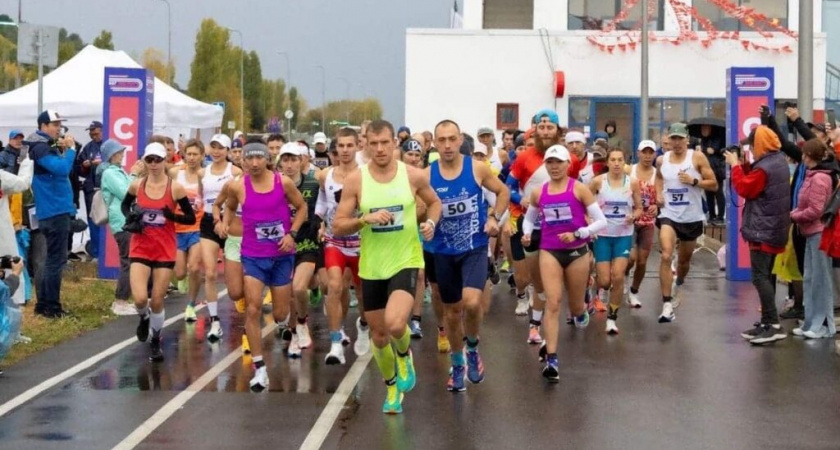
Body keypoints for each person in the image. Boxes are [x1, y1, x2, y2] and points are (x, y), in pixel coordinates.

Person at [332, 120, 441, 414]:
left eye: (385, 143)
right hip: (372, 265)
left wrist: (430, 222)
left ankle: (404, 355)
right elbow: (338, 225)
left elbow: (435, 203)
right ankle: (392, 386)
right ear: (365, 144)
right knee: (379, 336)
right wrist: (362, 220)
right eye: (374, 143)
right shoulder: (356, 180)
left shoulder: (413, 175)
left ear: (395, 143)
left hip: (406, 260)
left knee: (395, 324)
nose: (380, 149)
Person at [429, 120, 509, 392]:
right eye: (442, 140)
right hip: (443, 251)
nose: (448, 145)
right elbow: (419, 207)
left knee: (472, 302)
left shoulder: (475, 168)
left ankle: (472, 347)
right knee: (451, 313)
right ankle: (458, 361)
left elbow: (503, 192)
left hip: (474, 247)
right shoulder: (427, 175)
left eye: (453, 139)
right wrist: (426, 222)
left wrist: (494, 217)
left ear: (460, 139)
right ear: (435, 143)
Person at [224, 141, 307, 391]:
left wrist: (291, 233)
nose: (255, 163)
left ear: (267, 159)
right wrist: (224, 223)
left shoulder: (283, 182)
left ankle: (284, 325)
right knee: (253, 308)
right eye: (250, 159)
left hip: (282, 254)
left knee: (280, 313)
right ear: (243, 161)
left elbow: (302, 207)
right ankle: (259, 368)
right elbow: (228, 207)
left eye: (259, 158)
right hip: (253, 256)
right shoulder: (238, 186)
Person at [522, 145, 606, 381]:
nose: (555, 167)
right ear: (545, 165)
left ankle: (581, 310)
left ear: (568, 164)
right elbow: (529, 220)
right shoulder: (539, 192)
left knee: (576, 307)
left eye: (559, 162)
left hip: (577, 251)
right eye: (550, 162)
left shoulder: (579, 189)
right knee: (553, 301)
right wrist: (527, 233)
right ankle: (552, 359)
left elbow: (601, 222)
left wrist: (579, 234)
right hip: (549, 251)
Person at [123, 143, 196, 361]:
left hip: (164, 250)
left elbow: (190, 218)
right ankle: (143, 317)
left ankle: (156, 339)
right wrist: (131, 216)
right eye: (150, 160)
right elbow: (124, 206)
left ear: (165, 161)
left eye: (158, 160)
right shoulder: (137, 185)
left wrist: (171, 216)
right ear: (144, 162)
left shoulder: (175, 188)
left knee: (156, 299)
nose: (154, 164)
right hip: (140, 246)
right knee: (138, 299)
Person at [727, 126, 792, 345]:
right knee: (765, 275)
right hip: (774, 227)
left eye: (752, 145)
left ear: (761, 144)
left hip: (763, 229)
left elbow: (746, 188)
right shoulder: (778, 160)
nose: (751, 149)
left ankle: (773, 324)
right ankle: (766, 323)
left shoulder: (765, 168)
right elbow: (756, 179)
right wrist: (744, 164)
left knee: (760, 277)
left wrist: (735, 166)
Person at [654, 122, 718, 323]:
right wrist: (658, 193)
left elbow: (714, 184)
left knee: (683, 261)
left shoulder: (696, 158)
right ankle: (666, 304)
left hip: (691, 217)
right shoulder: (661, 160)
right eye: (673, 138)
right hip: (669, 214)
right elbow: (658, 177)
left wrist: (694, 181)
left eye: (680, 138)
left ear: (687, 140)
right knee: (666, 254)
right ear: (668, 140)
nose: (677, 142)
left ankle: (679, 282)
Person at [316, 128, 370, 365]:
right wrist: (319, 221)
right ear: (335, 148)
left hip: (362, 243)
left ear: (358, 146)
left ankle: (364, 325)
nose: (346, 150)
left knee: (362, 294)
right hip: (335, 241)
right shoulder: (325, 175)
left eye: (350, 145)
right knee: (335, 286)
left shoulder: (367, 174)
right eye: (341, 146)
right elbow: (322, 201)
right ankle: (335, 343)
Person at [26, 110, 75, 318]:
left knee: (50, 260)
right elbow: (62, 169)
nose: (58, 129)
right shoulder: (39, 147)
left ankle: (43, 305)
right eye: (55, 125)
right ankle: (51, 307)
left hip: (53, 209)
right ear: (43, 126)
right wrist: (71, 150)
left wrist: (62, 147)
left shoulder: (43, 145)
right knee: (55, 261)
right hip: (54, 210)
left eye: (60, 125)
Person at [589, 149, 642, 335]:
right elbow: (584, 204)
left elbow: (639, 208)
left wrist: (633, 216)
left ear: (624, 162)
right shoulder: (598, 182)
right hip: (602, 235)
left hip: (623, 235)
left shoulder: (632, 182)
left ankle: (612, 319)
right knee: (604, 281)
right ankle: (593, 293)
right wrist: (589, 222)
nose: (617, 163)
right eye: (613, 160)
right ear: (608, 162)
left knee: (618, 276)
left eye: (620, 160)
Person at [789, 139, 838, 339]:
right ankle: (811, 322)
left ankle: (823, 325)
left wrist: (794, 215)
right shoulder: (816, 175)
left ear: (808, 155)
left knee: (820, 280)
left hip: (818, 232)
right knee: (810, 278)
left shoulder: (819, 178)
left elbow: (816, 210)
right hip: (810, 232)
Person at [278, 142, 322, 357]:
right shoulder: (273, 185)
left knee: (298, 288)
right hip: (281, 244)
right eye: (285, 160)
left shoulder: (313, 184)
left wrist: (322, 224)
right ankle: (293, 333)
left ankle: (301, 323)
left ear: (302, 161)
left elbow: (324, 207)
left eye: (293, 159)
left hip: (307, 242)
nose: (289, 164)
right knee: (288, 295)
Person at [198, 134, 241, 339]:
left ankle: (243, 303)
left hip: (232, 222)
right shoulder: (202, 172)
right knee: (210, 273)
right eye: (213, 147)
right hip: (209, 222)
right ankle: (215, 320)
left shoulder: (235, 171)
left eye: (220, 148)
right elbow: (201, 195)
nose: (216, 151)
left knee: (238, 277)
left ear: (228, 151)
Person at [98, 139, 144, 315]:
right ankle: (120, 301)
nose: (122, 155)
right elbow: (127, 192)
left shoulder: (117, 172)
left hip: (126, 221)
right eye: (119, 153)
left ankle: (124, 299)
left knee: (131, 260)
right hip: (122, 222)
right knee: (128, 261)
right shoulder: (110, 173)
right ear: (112, 155)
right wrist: (133, 175)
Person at [169, 140, 205, 324]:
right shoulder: (176, 173)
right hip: (177, 228)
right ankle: (182, 279)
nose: (191, 158)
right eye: (188, 154)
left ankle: (191, 304)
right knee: (181, 272)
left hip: (197, 228)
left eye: (195, 154)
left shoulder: (204, 175)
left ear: (202, 156)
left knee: (194, 267)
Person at [625, 140, 659, 308]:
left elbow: (662, 197)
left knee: (642, 261)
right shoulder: (628, 170)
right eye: (644, 152)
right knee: (630, 258)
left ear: (654, 154)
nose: (647, 156)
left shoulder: (657, 174)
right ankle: (624, 275)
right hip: (629, 220)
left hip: (647, 222)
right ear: (638, 153)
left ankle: (634, 291)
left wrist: (656, 205)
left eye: (650, 153)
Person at [74, 121, 104, 259]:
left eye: (96, 133)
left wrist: (102, 163)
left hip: (107, 188)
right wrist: (85, 166)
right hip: (91, 190)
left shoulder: (110, 144)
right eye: (91, 134)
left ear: (103, 131)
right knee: (93, 220)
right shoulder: (88, 147)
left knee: (109, 220)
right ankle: (96, 253)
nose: (93, 136)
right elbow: (79, 170)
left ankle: (108, 253)